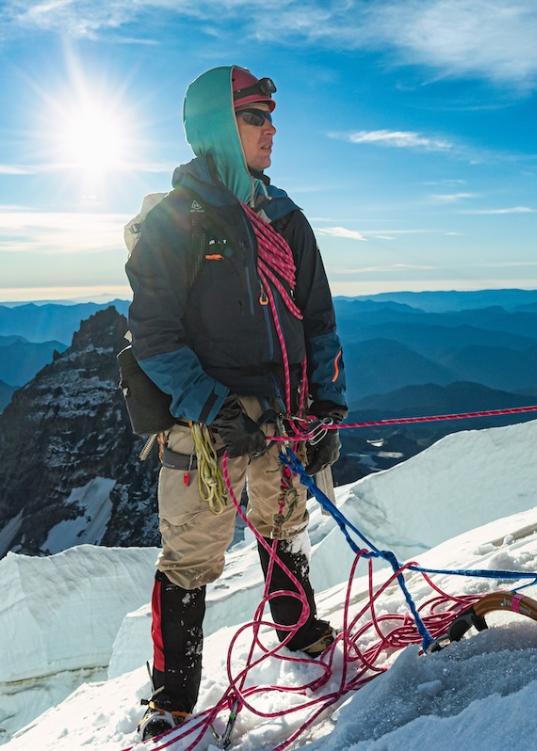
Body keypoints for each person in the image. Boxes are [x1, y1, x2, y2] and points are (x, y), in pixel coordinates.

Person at [124, 65, 347, 740]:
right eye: (254, 117)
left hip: (284, 414)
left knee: (284, 523)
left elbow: (318, 320)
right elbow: (154, 335)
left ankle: (298, 633)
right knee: (191, 551)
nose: (271, 130)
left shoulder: (284, 216)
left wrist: (328, 407)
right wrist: (213, 406)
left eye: (270, 117)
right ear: (219, 128)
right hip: (205, 425)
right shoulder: (177, 220)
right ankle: (172, 697)